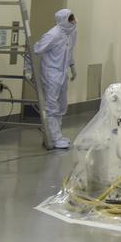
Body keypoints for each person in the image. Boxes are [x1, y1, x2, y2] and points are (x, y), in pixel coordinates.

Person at [34, 8, 77, 150]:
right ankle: (53, 137)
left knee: (61, 104)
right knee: (51, 106)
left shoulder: (71, 33)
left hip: (62, 72)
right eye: (70, 19)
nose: (73, 21)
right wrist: (28, 69)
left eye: (73, 18)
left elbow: (70, 51)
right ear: (63, 20)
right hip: (51, 73)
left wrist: (72, 66)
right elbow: (35, 49)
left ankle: (57, 134)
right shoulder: (53, 34)